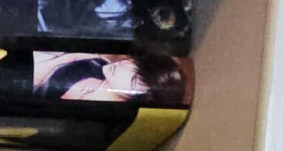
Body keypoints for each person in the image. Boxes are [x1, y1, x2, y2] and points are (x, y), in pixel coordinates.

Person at [34, 51, 188, 105]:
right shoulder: (98, 64)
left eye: (133, 79)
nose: (124, 65)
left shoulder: (97, 102)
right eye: (135, 63)